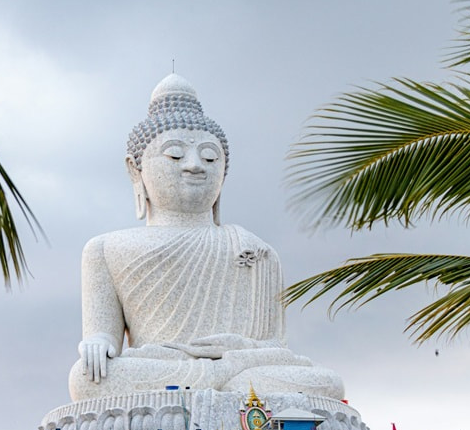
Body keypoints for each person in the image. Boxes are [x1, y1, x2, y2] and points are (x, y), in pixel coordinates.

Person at [68, 75, 344, 401]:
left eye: (210, 157)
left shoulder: (256, 250)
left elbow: (274, 347)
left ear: (223, 171)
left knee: (327, 382)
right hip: (165, 368)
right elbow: (105, 338)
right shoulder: (104, 249)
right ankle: (228, 391)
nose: (195, 166)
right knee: (86, 379)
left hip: (245, 368)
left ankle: (225, 388)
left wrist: (238, 352)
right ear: (135, 169)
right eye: (175, 155)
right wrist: (98, 343)